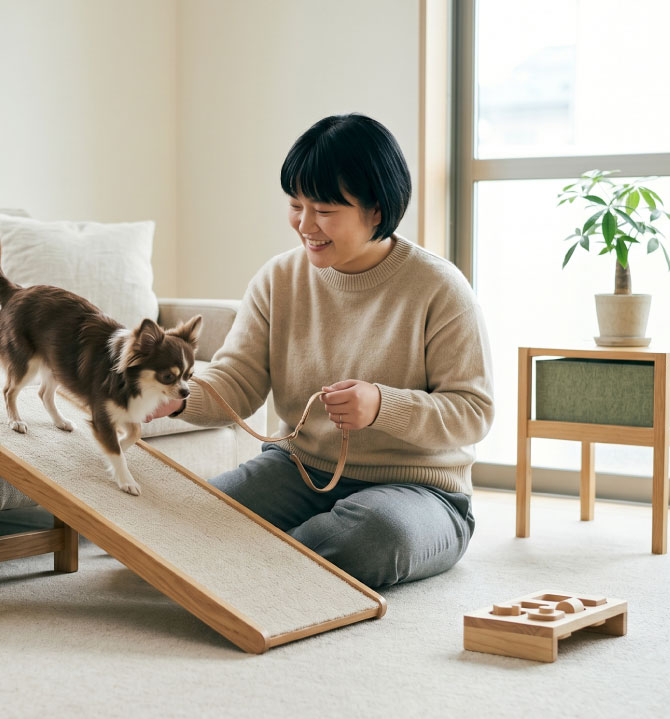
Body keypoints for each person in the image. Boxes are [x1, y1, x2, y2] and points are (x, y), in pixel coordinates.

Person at [144, 113, 494, 590]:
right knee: (191, 520)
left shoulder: (439, 287)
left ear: (376, 209)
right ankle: (277, 566)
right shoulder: (278, 279)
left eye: (325, 210)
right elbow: (237, 381)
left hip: (423, 492)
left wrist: (381, 406)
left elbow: (472, 413)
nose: (305, 225)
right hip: (299, 470)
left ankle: (251, 569)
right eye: (295, 204)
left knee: (372, 538)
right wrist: (179, 397)